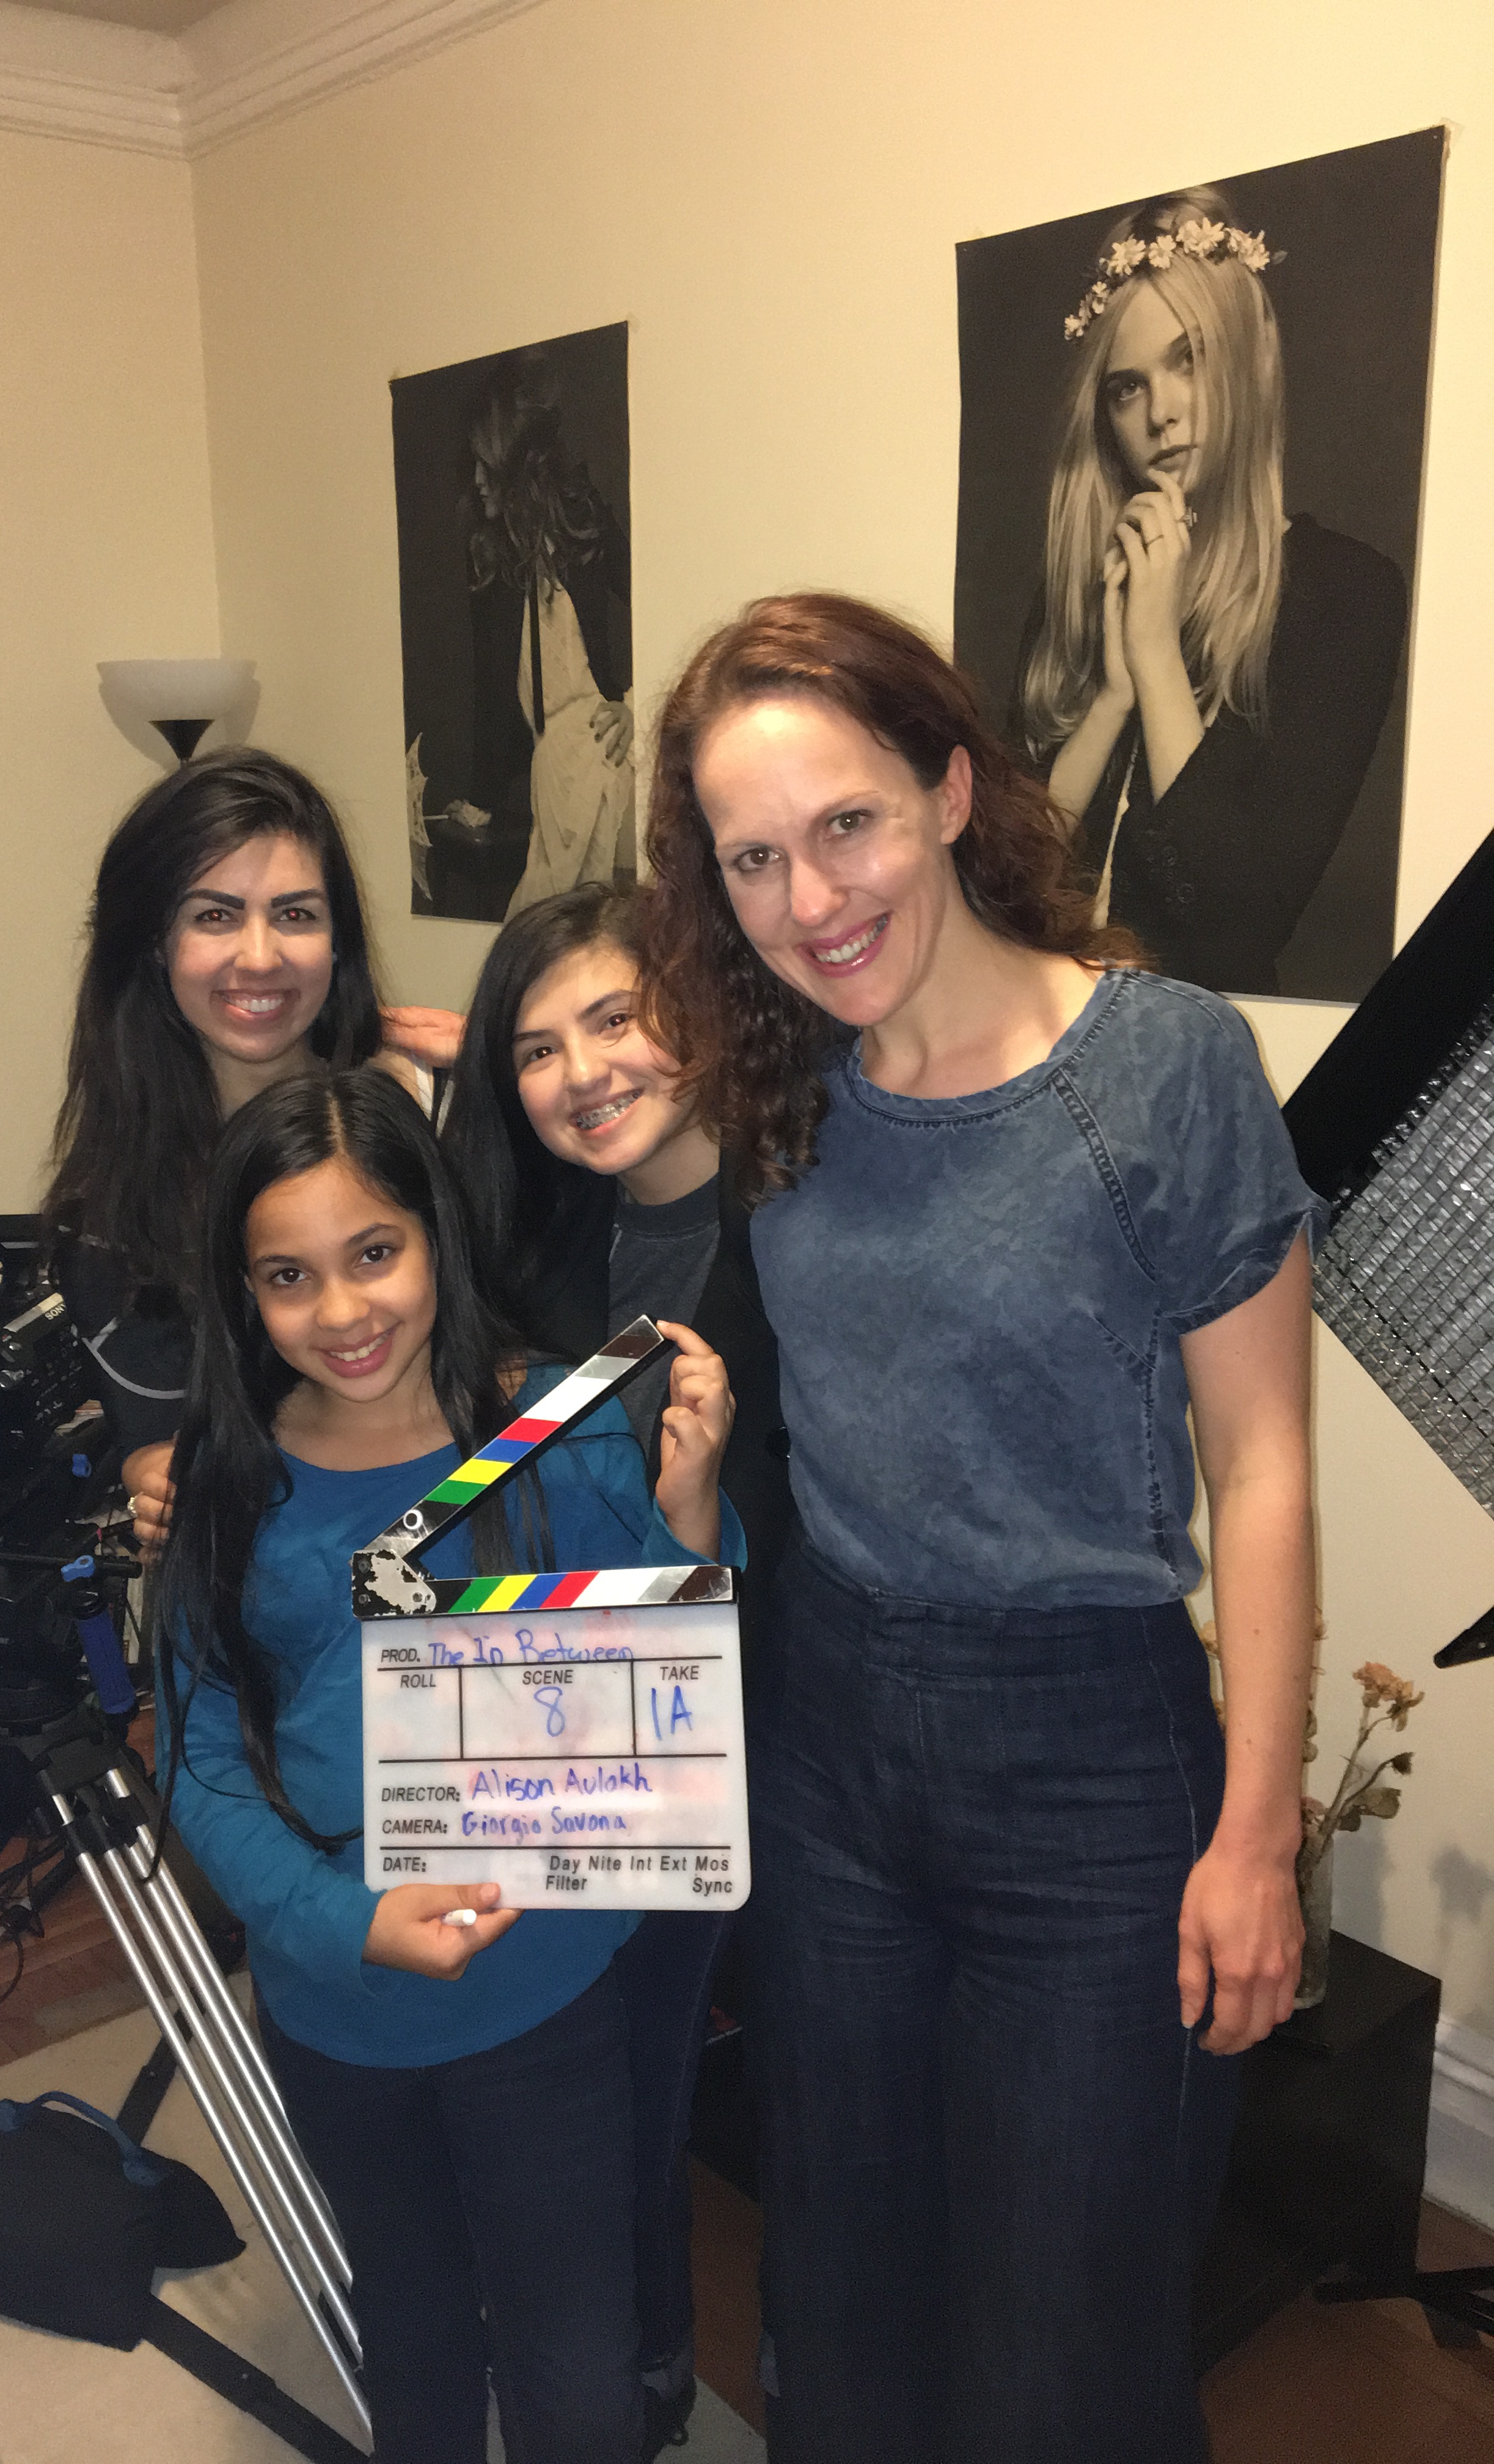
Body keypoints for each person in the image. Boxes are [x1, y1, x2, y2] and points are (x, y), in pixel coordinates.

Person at [642, 590, 1320, 2462]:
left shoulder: (1164, 1069)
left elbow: (1263, 1467)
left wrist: (1259, 1835)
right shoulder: (781, 1084)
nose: (811, 899)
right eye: (754, 859)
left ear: (949, 790)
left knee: (1061, 2360)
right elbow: (588, 1145)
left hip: (1090, 1770)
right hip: (836, 1743)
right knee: (842, 2315)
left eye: (847, 824)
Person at [151, 1067, 739, 2463]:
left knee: (577, 2373)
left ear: (438, 1235)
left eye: (375, 1253)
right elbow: (196, 1752)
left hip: (548, 1996)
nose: (343, 1311)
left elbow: (668, 1680)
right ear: (242, 1292)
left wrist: (692, 1510)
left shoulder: (552, 1430)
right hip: (336, 2005)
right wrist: (339, 1919)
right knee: (412, 2349)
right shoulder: (225, 1480)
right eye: (288, 1277)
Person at [443, 881, 794, 2451]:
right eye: (536, 1047)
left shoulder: (804, 1215)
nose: (581, 1072)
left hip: (776, 1729)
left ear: (699, 1009)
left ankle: (770, 2376)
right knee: (603, 2084)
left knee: (768, 2092)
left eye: (613, 1018)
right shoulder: (529, 1233)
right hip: (578, 1724)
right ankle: (636, 2370)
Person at [1015, 186, 1406, 996]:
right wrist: (1113, 699)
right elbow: (1006, 889)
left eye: (1188, 357)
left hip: (1200, 1048)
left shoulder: (1345, 592)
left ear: (1244, 360)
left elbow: (1239, 925)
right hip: (1040, 1033)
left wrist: (1157, 654)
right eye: (1127, 386)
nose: (1161, 412)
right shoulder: (1083, 588)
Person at [43, 747, 436, 1549]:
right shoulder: (108, 1213)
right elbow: (155, 1437)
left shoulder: (435, 1116)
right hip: (274, 1583)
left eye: (296, 915)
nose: (260, 957)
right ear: (154, 942)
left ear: (338, 938)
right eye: (215, 916)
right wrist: (151, 1476)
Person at [437, 357, 635, 920]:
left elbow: (660, 597)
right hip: (551, 765)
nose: (478, 482)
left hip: (599, 746)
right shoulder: (494, 559)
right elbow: (491, 687)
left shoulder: (581, 520)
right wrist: (482, 799)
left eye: (486, 466)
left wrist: (635, 703)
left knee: (583, 920)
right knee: (551, 925)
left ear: (512, 465)